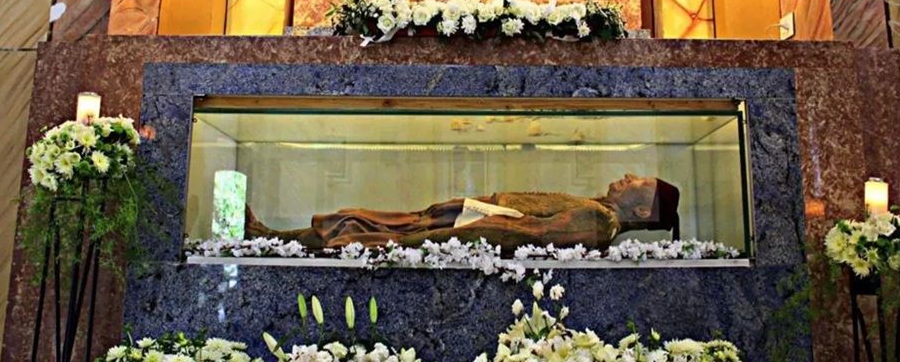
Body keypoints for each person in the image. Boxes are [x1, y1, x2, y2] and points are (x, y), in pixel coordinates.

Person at [245, 174, 680, 252]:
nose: (627, 176)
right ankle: (270, 238)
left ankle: (267, 240)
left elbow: (520, 234)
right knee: (359, 221)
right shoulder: (599, 211)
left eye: (638, 181)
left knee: (359, 227)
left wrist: (432, 238)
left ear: (643, 209)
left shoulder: (599, 222)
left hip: (462, 229)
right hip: (464, 219)